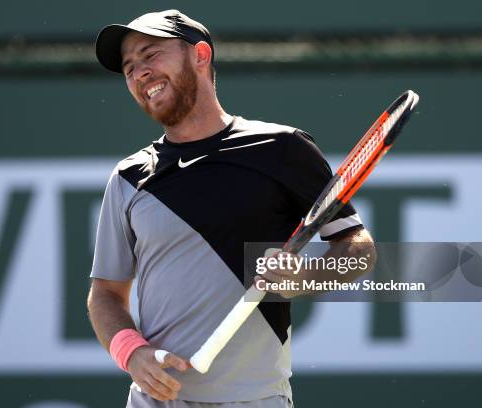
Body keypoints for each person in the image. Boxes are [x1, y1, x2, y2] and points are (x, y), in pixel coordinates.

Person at [88, 9, 375, 408]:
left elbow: (359, 251)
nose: (139, 73)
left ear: (200, 55)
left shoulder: (283, 149)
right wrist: (131, 352)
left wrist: (306, 276)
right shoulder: (128, 178)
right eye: (129, 67)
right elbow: (104, 293)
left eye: (150, 55)